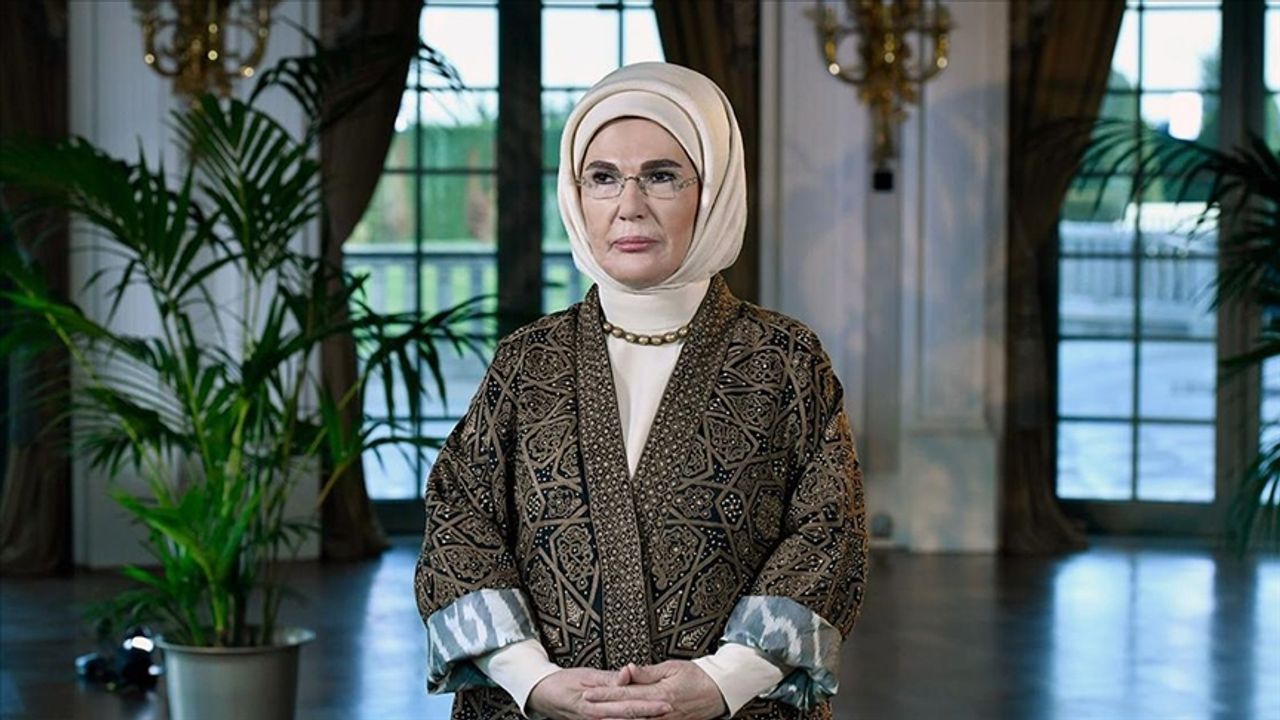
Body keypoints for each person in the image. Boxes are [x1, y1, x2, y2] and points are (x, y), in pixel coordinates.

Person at [414, 61, 868, 720]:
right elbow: (460, 516)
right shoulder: (526, 360)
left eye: (661, 176)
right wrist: (532, 679)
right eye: (603, 177)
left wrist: (724, 680)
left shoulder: (785, 361)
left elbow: (828, 532)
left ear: (712, 190)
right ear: (577, 197)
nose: (629, 206)